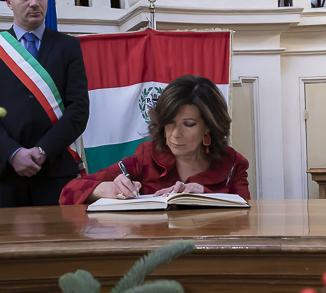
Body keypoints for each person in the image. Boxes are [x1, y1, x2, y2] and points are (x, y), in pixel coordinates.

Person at [0, 0, 89, 207]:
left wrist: (41, 151)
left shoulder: (68, 47)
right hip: (4, 171)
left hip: (55, 168)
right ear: (9, 2)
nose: (34, 3)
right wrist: (13, 154)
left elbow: (78, 110)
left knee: (59, 242)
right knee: (7, 244)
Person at [60, 75, 249, 205]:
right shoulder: (146, 157)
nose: (175, 133)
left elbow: (245, 217)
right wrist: (105, 189)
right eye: (169, 123)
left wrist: (206, 196)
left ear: (209, 126)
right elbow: (68, 193)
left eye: (188, 124)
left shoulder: (233, 163)